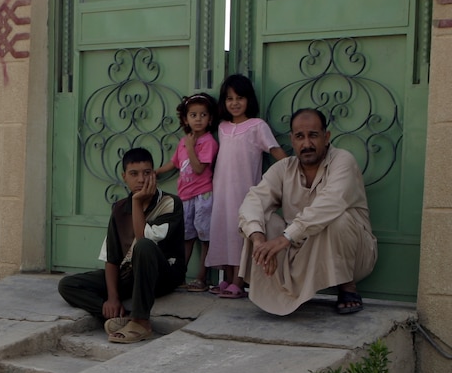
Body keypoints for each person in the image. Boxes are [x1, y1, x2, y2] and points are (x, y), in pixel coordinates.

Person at [238, 108, 378, 316]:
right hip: (301, 249)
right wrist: (258, 239)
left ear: (326, 137)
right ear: (292, 140)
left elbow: (330, 203)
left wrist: (286, 237)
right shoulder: (284, 168)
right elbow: (254, 200)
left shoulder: (343, 161)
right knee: (263, 222)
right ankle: (278, 292)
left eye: (313, 135)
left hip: (354, 254)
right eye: (300, 137)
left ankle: (347, 286)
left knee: (337, 218)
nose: (307, 144)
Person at [58, 147, 186, 343]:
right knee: (68, 285)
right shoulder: (119, 209)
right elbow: (112, 257)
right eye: (134, 174)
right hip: (130, 274)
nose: (141, 179)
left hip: (162, 275)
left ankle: (141, 322)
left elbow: (144, 237)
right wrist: (112, 298)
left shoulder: (170, 203)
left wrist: (137, 202)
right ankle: (122, 317)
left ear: (154, 174)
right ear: (124, 176)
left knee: (144, 246)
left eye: (147, 173)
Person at [205, 75, 287, 298]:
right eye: (229, 98)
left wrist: (292, 170)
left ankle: (239, 282)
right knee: (224, 230)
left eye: (240, 97)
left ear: (249, 100)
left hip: (245, 191)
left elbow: (275, 150)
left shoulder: (257, 126)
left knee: (241, 232)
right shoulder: (222, 127)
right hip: (222, 191)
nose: (235, 103)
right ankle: (228, 278)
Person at [155, 93, 219, 292]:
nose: (198, 119)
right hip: (185, 196)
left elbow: (199, 169)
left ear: (210, 119)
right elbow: (174, 163)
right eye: (193, 115)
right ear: (185, 119)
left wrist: (191, 147)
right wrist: (155, 172)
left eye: (203, 115)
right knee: (186, 237)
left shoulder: (209, 142)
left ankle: (202, 277)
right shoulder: (183, 141)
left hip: (203, 195)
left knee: (205, 237)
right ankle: (180, 275)